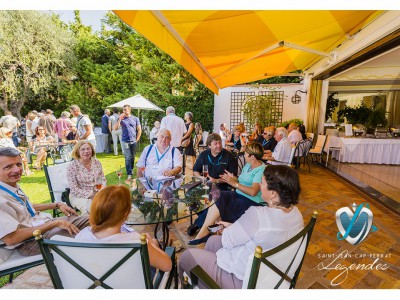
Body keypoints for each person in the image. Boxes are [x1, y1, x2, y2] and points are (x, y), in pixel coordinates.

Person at [179, 165, 303, 289]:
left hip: (244, 280)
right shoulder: (296, 214)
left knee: (186, 256)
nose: (259, 185)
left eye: (262, 183)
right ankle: (207, 282)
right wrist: (232, 227)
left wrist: (227, 229)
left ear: (273, 194)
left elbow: (227, 241)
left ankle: (206, 282)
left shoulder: (258, 215)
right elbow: (261, 233)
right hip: (270, 271)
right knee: (211, 241)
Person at [0, 147, 89, 256]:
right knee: (91, 232)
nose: (17, 170)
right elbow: (11, 238)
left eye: (18, 164)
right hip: (31, 242)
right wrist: (55, 223)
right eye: (8, 167)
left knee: (96, 219)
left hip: (42, 228)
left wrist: (56, 204)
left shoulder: (8, 186)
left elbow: (24, 207)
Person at [75, 185, 172, 273]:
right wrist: (151, 244)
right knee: (155, 243)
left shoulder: (81, 236)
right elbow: (167, 266)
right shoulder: (136, 241)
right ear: (126, 214)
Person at [188, 142, 266, 245]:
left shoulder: (261, 170)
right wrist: (233, 178)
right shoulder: (248, 165)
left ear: (252, 157)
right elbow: (241, 181)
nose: (244, 155)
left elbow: (253, 192)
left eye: (246, 153)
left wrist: (234, 183)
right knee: (216, 196)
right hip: (239, 194)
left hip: (250, 201)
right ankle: (205, 229)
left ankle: (202, 231)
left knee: (220, 200)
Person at [188, 133, 238, 236]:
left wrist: (216, 180)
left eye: (220, 143)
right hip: (207, 184)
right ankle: (207, 220)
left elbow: (233, 178)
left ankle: (198, 224)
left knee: (214, 200)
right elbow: (195, 171)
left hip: (224, 186)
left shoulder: (229, 156)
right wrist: (202, 178)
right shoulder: (203, 155)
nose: (219, 146)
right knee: (190, 195)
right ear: (209, 146)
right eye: (215, 143)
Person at [67, 141, 106, 213]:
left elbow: (103, 179)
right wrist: (91, 195)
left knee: (112, 203)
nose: (86, 151)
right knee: (92, 208)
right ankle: (87, 223)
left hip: (97, 193)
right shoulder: (72, 166)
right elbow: (73, 188)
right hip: (78, 196)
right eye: (83, 149)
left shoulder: (97, 162)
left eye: (88, 149)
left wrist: (101, 191)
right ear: (78, 152)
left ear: (92, 150)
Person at [115, 105, 142, 184]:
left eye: (125, 110)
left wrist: (137, 139)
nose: (124, 111)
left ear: (129, 110)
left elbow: (139, 130)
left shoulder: (135, 118)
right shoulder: (121, 119)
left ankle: (131, 169)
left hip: (133, 141)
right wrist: (119, 119)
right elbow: (115, 128)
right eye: (123, 110)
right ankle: (129, 173)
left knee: (132, 157)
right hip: (125, 141)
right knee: (127, 157)